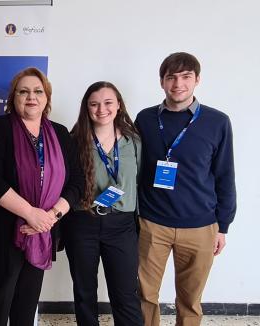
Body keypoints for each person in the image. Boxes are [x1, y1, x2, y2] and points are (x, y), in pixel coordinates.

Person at [135, 52, 236, 326]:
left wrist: (223, 227)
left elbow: (225, 176)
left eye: (185, 77)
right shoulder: (144, 119)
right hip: (152, 223)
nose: (178, 84)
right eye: (171, 77)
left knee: (190, 300)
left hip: (201, 227)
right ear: (162, 82)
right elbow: (133, 169)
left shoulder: (217, 122)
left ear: (197, 80)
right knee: (144, 295)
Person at [0, 67, 84, 326]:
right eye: (23, 91)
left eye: (38, 91)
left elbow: (77, 181)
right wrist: (30, 214)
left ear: (47, 98)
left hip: (43, 232)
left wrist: (50, 216)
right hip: (5, 233)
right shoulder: (0, 128)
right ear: (13, 98)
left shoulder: (59, 133)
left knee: (27, 303)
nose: (31, 97)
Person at [64, 81, 143, 326]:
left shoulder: (134, 142)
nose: (101, 109)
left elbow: (139, 182)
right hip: (82, 223)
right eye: (94, 104)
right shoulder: (74, 141)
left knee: (126, 293)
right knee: (84, 292)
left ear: (118, 105)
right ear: (86, 108)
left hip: (122, 226)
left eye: (108, 102)